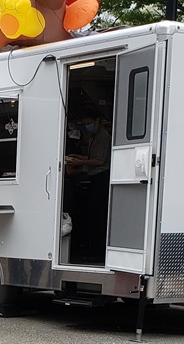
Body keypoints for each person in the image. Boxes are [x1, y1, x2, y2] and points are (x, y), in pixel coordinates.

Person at [66, 108, 111, 261]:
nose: (87, 126)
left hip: (101, 177)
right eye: (85, 124)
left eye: (89, 123)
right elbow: (91, 156)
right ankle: (92, 249)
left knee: (98, 215)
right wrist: (77, 156)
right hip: (94, 177)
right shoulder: (93, 135)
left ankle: (97, 251)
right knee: (92, 214)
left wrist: (79, 162)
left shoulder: (103, 136)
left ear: (98, 120)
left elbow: (99, 160)